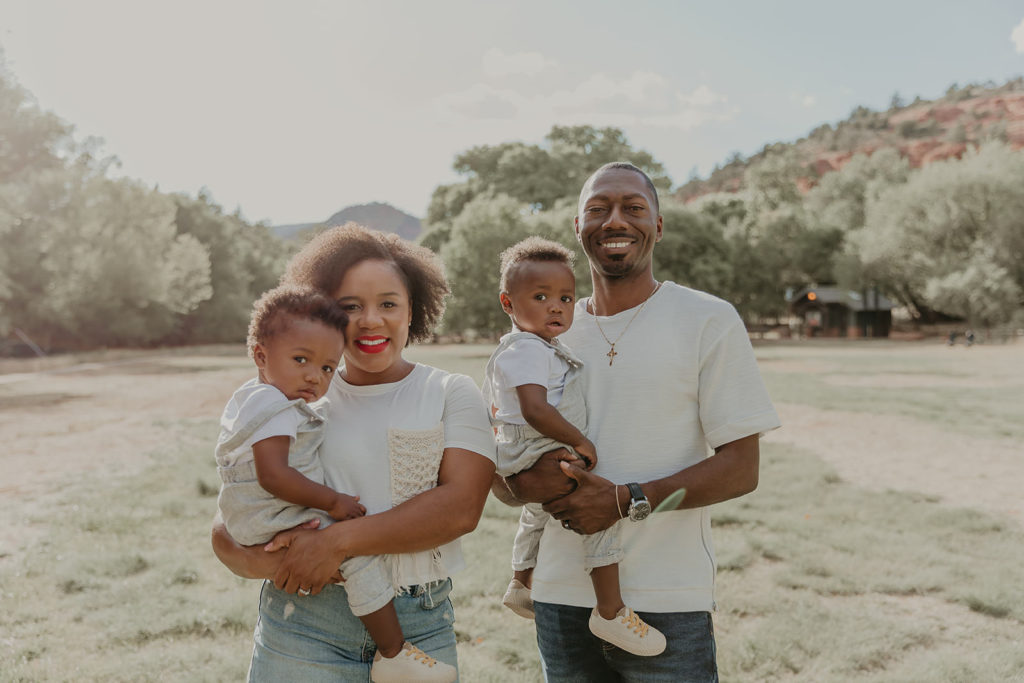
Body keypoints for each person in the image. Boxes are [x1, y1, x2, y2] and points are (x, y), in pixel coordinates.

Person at [496, 162, 781, 682]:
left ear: (659, 225)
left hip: (667, 598)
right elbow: (504, 468)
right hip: (558, 596)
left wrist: (625, 498)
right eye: (598, 209)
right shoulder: (542, 330)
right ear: (576, 227)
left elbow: (742, 468)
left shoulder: (707, 319)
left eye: (633, 208)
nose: (615, 221)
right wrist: (522, 483)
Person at [211, 223, 496, 682]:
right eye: (350, 307)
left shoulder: (450, 392)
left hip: (418, 623)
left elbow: (460, 510)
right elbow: (229, 521)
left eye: (388, 304)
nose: (370, 320)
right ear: (323, 314)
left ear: (412, 311)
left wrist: (335, 542)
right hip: (303, 621)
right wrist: (285, 560)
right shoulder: (289, 397)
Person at [483, 236, 665, 657]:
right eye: (541, 296)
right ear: (508, 303)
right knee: (598, 507)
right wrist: (578, 439)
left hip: (520, 447)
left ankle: (520, 581)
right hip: (536, 443)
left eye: (566, 298)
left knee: (534, 513)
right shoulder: (527, 349)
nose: (556, 307)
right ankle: (610, 610)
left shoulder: (534, 347)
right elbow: (534, 408)